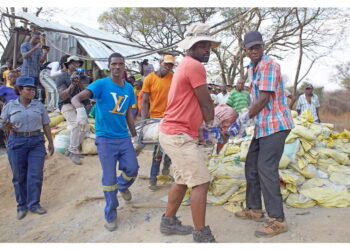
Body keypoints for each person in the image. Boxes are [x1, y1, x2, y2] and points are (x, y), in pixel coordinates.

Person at [158, 23, 220, 243]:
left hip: (175, 132)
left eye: (208, 45)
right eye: (201, 45)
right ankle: (201, 234)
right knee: (201, 182)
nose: (206, 49)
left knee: (183, 180)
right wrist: (213, 130)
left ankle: (168, 221)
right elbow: (205, 104)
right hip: (178, 134)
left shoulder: (186, 64)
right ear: (190, 47)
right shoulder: (194, 66)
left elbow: (200, 102)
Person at [233, 30, 294, 238]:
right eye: (250, 48)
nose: (254, 50)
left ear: (263, 46)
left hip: (276, 125)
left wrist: (244, 118)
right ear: (245, 50)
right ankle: (254, 209)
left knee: (266, 168)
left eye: (257, 46)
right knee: (251, 164)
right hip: (263, 126)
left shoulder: (269, 65)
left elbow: (265, 98)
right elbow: (256, 98)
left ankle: (278, 219)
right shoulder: (252, 68)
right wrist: (246, 117)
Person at [71, 52, 139, 232]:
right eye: (114, 64)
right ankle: (111, 214)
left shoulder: (129, 88)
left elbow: (129, 116)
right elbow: (76, 98)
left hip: (123, 137)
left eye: (121, 64)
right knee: (109, 180)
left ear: (124, 66)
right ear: (109, 66)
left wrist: (134, 137)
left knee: (132, 169)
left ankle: (123, 186)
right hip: (105, 139)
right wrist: (80, 111)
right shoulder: (101, 84)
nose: (117, 67)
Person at [0, 76, 54, 220]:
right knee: (19, 176)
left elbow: (46, 124)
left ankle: (34, 204)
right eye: (29, 90)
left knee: (35, 175)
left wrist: (51, 142)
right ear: (20, 90)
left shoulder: (39, 105)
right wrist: (5, 125)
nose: (32, 92)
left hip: (36, 142)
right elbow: (2, 124)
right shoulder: (10, 106)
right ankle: (22, 206)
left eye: (33, 90)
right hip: (17, 142)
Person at [141, 55, 176, 190]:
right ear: (161, 63)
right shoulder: (149, 79)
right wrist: (144, 121)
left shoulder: (173, 78)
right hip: (155, 118)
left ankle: (167, 165)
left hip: (170, 118)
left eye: (171, 65)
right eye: (166, 64)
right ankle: (153, 178)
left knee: (171, 147)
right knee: (158, 150)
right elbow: (144, 102)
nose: (168, 67)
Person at [56, 56, 90, 165]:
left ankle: (71, 150)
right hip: (66, 104)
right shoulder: (62, 77)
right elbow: (63, 95)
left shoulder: (83, 76)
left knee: (86, 128)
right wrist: (72, 84)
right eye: (73, 62)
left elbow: (87, 92)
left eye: (77, 63)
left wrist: (79, 82)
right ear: (68, 64)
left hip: (79, 105)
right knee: (76, 124)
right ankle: (73, 151)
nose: (75, 64)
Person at [20, 31, 49, 103]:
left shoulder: (39, 48)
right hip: (27, 72)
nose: (38, 40)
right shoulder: (25, 45)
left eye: (39, 39)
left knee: (34, 90)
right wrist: (35, 48)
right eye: (36, 38)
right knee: (27, 90)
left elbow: (41, 61)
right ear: (32, 36)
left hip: (35, 73)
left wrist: (45, 53)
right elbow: (24, 56)